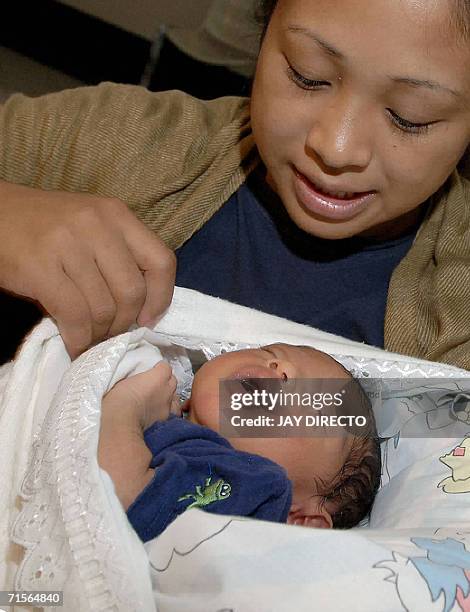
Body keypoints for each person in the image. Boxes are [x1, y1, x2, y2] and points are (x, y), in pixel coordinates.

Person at [0, 0, 469, 367]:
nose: (337, 147)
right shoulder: (126, 145)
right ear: (263, 35)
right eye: (308, 75)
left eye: (410, 117)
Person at [98, 343, 381, 541]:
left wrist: (125, 407)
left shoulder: (256, 487)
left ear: (302, 521)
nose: (282, 368)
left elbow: (122, 504)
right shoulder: (162, 393)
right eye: (269, 352)